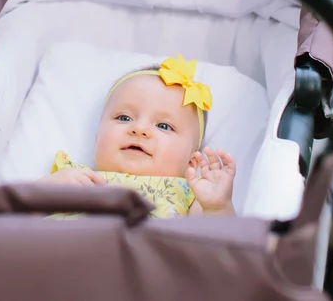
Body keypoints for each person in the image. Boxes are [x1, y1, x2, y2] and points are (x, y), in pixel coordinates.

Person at [38, 55, 236, 218]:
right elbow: (13, 223)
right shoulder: (75, 178)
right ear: (98, 134)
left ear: (191, 162)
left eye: (163, 126)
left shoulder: (191, 196)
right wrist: (47, 191)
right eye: (124, 117)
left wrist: (217, 207)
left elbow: (218, 251)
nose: (139, 129)